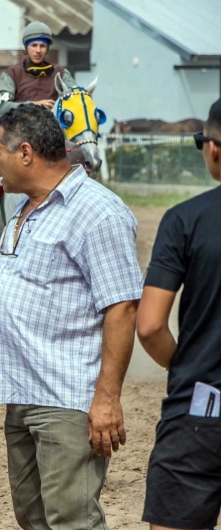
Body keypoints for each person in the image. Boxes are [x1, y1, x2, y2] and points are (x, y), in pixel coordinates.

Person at [0, 104, 142, 529]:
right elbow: (11, 301)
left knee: (71, 521)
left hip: (67, 400)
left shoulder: (98, 212)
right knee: (34, 519)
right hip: (21, 394)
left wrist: (108, 398)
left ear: (25, 153)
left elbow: (122, 307)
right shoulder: (25, 211)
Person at [137, 99, 221, 530]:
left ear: (213, 148)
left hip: (202, 411)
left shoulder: (184, 219)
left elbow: (150, 325)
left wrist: (188, 362)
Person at [0, 21, 76, 255]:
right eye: (34, 45)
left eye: (43, 45)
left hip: (52, 139)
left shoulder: (62, 74)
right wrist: (34, 104)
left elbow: (74, 99)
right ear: (26, 48)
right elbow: (4, 107)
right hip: (18, 136)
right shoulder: (11, 74)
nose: (39, 50)